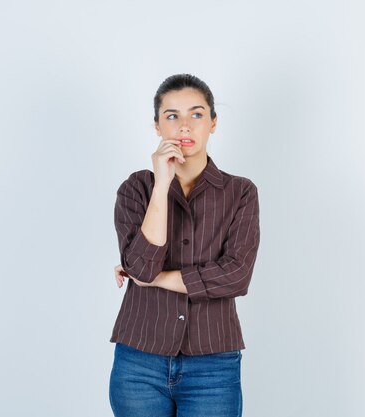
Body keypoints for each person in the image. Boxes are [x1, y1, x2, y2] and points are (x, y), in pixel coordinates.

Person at [108, 73, 261, 417]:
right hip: (139, 362)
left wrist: (154, 278)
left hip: (213, 366)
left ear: (213, 123)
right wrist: (161, 185)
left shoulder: (240, 193)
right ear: (157, 126)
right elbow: (143, 266)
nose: (184, 127)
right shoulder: (136, 189)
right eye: (172, 116)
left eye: (196, 114)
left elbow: (236, 276)